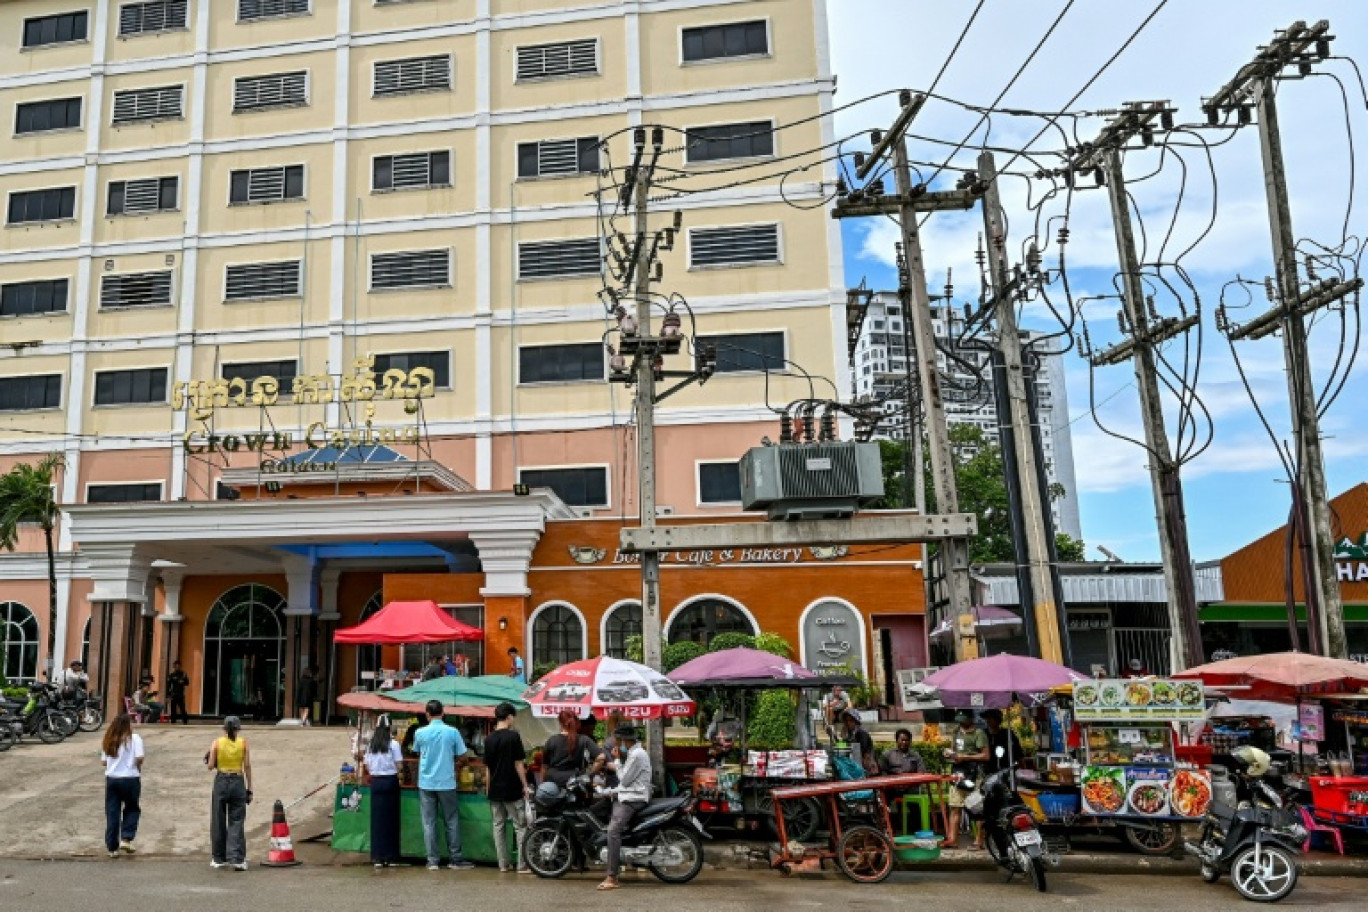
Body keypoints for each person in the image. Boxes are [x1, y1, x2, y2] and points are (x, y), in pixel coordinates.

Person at [412, 699, 474, 871]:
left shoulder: (420, 733)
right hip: (447, 782)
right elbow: (463, 756)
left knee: (428, 822)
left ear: (427, 714)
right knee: (451, 821)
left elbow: (417, 753)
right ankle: (455, 859)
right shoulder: (452, 732)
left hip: (426, 783)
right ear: (443, 713)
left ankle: (432, 861)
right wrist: (456, 764)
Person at [597, 724, 651, 891]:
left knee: (613, 831)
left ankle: (612, 877)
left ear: (624, 740)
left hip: (633, 798)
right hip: (628, 794)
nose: (616, 743)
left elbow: (624, 780)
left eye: (618, 740)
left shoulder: (636, 755)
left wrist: (618, 760)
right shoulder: (635, 753)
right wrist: (610, 791)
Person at [484, 701, 532, 874]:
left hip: (495, 790)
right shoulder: (513, 737)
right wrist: (525, 786)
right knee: (520, 826)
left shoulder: (489, 739)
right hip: (512, 788)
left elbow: (488, 768)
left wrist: (488, 788)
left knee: (498, 827)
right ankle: (522, 864)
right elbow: (518, 764)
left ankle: (503, 864)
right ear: (509, 717)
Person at [207, 716, 252, 871]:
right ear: (238, 729)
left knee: (218, 819)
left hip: (221, 780)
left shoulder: (216, 743)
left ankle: (219, 858)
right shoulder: (243, 743)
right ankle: (237, 858)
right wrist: (249, 788)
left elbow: (211, 765)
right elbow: (247, 766)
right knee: (237, 820)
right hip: (238, 780)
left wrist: (211, 757)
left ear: (225, 729)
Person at [942, 710, 989, 851]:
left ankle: (979, 841)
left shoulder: (979, 733)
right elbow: (953, 750)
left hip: (974, 774)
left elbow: (986, 756)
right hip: (958, 774)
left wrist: (966, 757)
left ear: (971, 719)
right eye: (959, 720)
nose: (961, 723)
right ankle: (952, 839)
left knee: (977, 809)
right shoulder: (956, 731)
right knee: (955, 807)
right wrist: (949, 755)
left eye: (964, 720)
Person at [101, 713, 144, 857]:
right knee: (132, 808)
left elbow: (104, 762)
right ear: (127, 725)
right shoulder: (135, 739)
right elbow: (140, 757)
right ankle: (126, 838)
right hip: (131, 778)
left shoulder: (109, 739)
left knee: (112, 812)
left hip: (112, 779)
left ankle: (112, 847)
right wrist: (136, 766)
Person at [364, 717, 404, 868]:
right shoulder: (393, 744)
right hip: (390, 781)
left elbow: (367, 765)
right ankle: (391, 857)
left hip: (376, 782)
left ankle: (377, 857)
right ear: (389, 728)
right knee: (391, 820)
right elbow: (399, 765)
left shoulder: (370, 745)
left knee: (377, 820)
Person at [542, 709, 599, 788]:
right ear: (577, 722)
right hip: (575, 782)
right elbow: (601, 757)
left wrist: (543, 784)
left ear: (561, 724)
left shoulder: (552, 740)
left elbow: (544, 766)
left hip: (554, 783)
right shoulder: (584, 739)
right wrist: (590, 775)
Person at [841, 708, 878, 775]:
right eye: (846, 721)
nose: (848, 723)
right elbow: (842, 749)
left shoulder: (861, 733)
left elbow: (861, 751)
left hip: (867, 768)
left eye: (851, 720)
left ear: (856, 721)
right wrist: (842, 738)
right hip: (855, 767)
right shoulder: (848, 734)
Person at [166, 661, 190, 725]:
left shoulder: (183, 674)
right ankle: (173, 721)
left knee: (182, 708)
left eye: (178, 666)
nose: (177, 667)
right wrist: (168, 695)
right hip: (173, 694)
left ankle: (185, 721)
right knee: (173, 709)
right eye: (176, 666)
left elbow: (187, 683)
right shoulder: (171, 675)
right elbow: (168, 685)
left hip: (180, 694)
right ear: (174, 667)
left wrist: (183, 682)